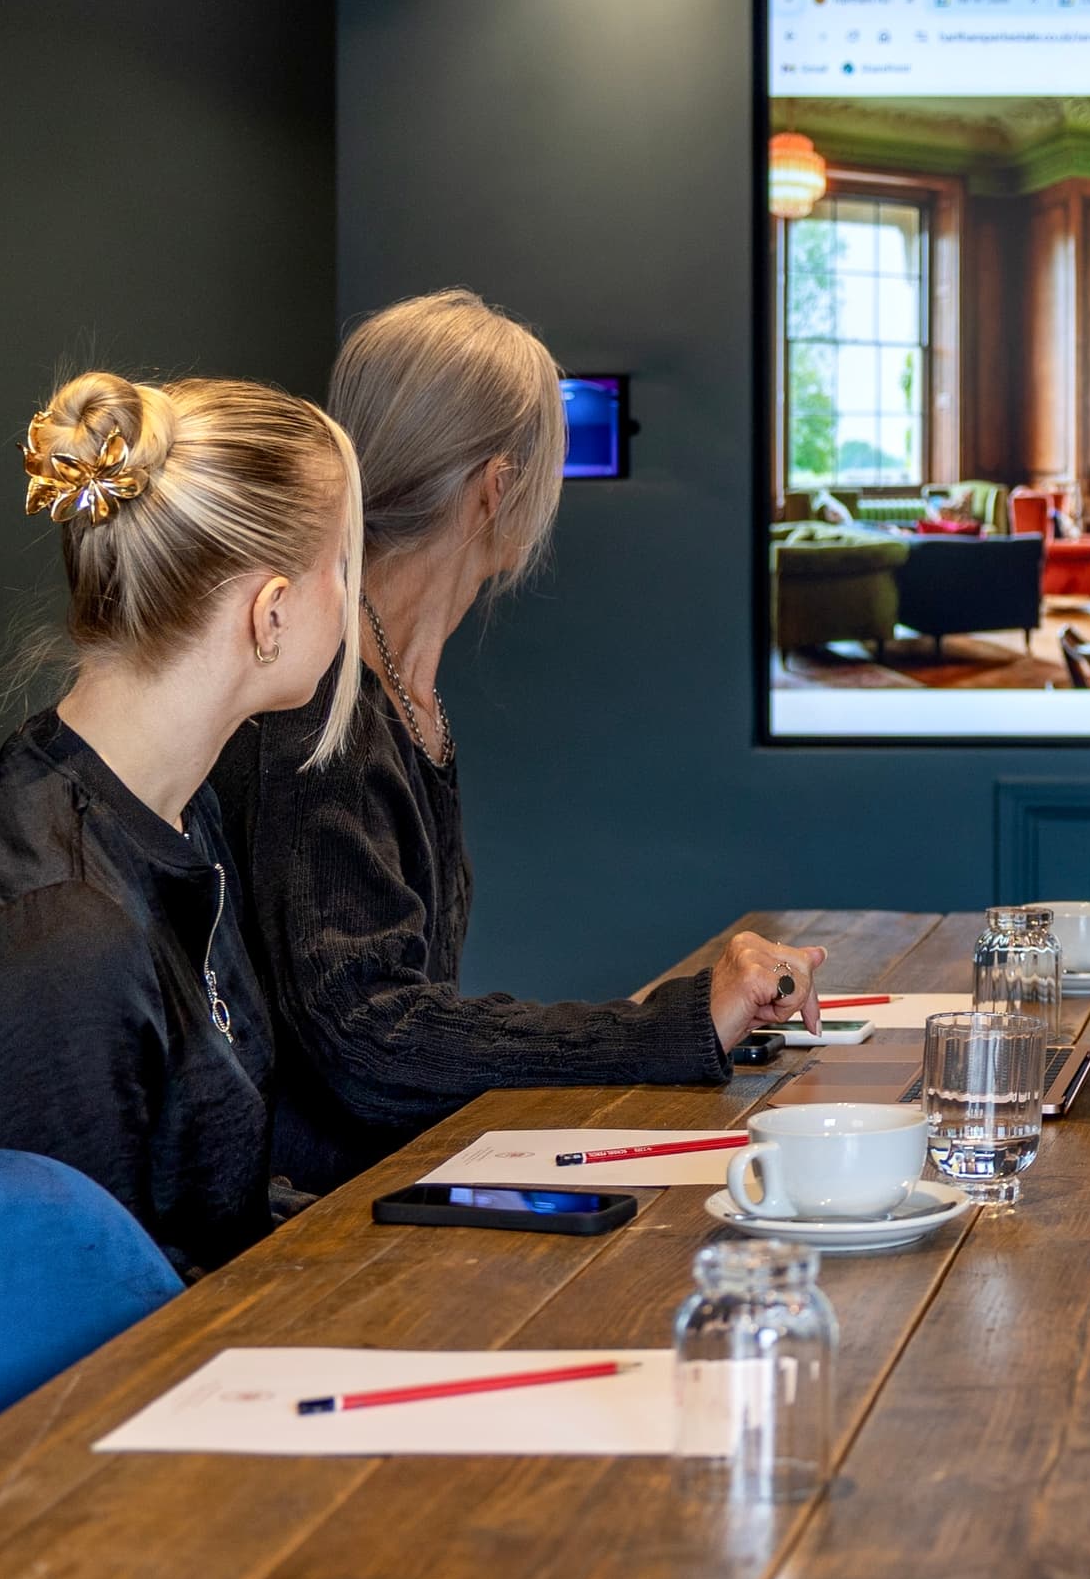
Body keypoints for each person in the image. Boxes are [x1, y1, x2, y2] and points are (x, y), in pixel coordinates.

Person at [212, 289, 822, 1193]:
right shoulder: (320, 707)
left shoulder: (399, 688)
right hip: (325, 1227)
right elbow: (373, 1041)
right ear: (497, 489)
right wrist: (671, 1025)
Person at [0, 373, 362, 1273]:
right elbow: (68, 1306)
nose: (353, 602)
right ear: (270, 611)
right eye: (343, 569)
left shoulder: (172, 807)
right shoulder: (63, 932)